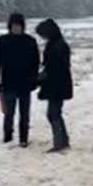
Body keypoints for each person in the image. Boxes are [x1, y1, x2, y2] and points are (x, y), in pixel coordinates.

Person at [0, 12, 40, 147]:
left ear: (23, 26)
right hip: (8, 83)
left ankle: (23, 138)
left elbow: (36, 63)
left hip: (25, 84)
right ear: (10, 26)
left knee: (25, 113)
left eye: (19, 25)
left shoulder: (30, 41)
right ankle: (8, 137)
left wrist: (34, 80)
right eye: (14, 25)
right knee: (9, 113)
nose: (16, 28)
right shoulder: (3, 41)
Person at [34, 18, 73, 152]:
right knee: (55, 113)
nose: (42, 37)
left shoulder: (57, 46)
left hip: (57, 85)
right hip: (58, 84)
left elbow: (54, 68)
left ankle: (60, 142)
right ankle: (63, 140)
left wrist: (42, 78)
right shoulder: (57, 44)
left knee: (53, 114)